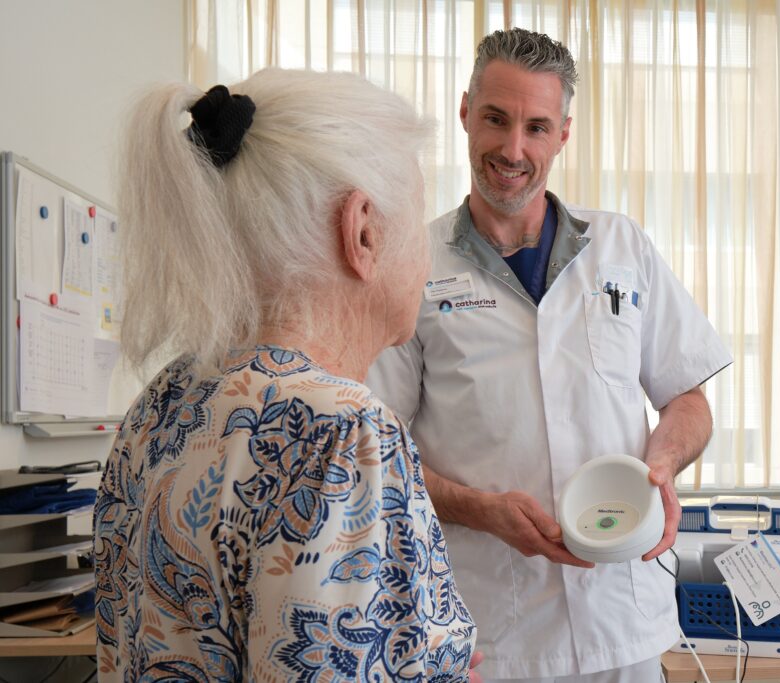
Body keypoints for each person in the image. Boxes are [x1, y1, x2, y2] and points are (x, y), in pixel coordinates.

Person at [367, 28, 733, 681]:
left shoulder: (621, 247)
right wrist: (481, 508)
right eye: (496, 120)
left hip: (621, 623)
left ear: (563, 133)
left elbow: (688, 398)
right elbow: (377, 451)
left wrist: (662, 464)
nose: (513, 149)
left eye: (536, 126)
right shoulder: (413, 265)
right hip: (488, 636)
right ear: (464, 113)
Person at [93, 69, 480, 681]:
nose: (428, 254)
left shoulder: (158, 405)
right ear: (363, 232)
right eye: (418, 218)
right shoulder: (345, 434)